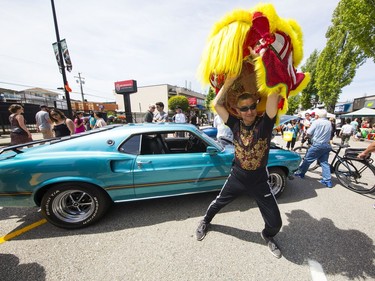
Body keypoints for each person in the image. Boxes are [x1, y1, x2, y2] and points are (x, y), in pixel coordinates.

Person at [195, 77, 283, 259]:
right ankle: (205, 221)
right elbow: (217, 104)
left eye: (252, 106)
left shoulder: (265, 124)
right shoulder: (234, 124)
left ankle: (267, 235)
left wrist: (265, 65)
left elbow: (274, 93)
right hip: (238, 177)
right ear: (238, 111)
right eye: (244, 108)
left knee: (275, 223)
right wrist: (231, 80)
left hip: (259, 181)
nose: (249, 111)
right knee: (218, 203)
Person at [294, 109, 333, 188]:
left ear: (317, 116)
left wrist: (306, 135)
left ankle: (300, 173)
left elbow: (309, 132)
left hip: (317, 144)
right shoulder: (329, 122)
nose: (314, 116)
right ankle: (327, 181)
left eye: (315, 115)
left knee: (307, 159)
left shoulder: (316, 122)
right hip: (326, 145)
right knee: (324, 162)